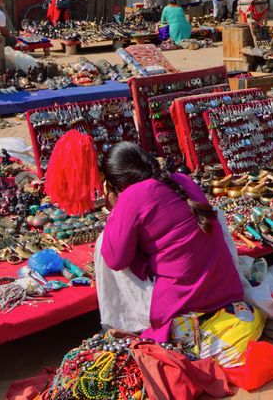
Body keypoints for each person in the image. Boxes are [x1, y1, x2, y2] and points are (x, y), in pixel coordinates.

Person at [99, 142, 243, 342]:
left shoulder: (132, 195)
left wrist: (116, 210)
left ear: (116, 183)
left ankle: (124, 322)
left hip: (183, 302)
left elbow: (115, 260)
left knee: (104, 243)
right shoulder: (182, 179)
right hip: (225, 288)